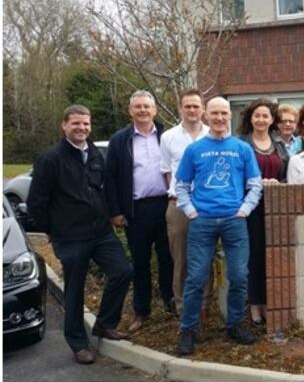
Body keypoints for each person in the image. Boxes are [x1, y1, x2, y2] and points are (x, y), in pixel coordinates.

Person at [28, 105, 133, 365]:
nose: (82, 128)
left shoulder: (94, 154)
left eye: (86, 124)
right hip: (70, 236)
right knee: (74, 291)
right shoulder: (50, 158)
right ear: (64, 125)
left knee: (122, 271)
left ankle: (104, 324)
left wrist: (113, 213)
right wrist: (50, 229)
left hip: (100, 232)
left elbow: (103, 188)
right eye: (76, 124)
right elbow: (36, 202)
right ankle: (78, 343)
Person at [174, 97, 263, 355]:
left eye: (224, 113)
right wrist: (191, 212)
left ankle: (235, 324)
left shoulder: (242, 149)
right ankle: (188, 330)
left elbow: (255, 184)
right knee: (196, 278)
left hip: (234, 221)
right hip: (202, 221)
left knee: (238, 275)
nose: (220, 118)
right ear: (206, 115)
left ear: (230, 116)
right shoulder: (194, 150)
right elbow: (181, 185)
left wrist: (243, 210)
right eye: (214, 113)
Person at [105, 90, 173, 333]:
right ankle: (141, 311)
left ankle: (170, 304)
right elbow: (110, 178)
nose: (143, 111)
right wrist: (115, 211)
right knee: (140, 263)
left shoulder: (167, 136)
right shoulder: (119, 140)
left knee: (169, 259)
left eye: (147, 106)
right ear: (130, 110)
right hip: (136, 210)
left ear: (155, 110)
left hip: (166, 206)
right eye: (138, 107)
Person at [159, 89, 213, 319]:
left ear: (203, 109)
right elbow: (166, 172)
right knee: (180, 259)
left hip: (207, 206)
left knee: (205, 257)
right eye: (187, 106)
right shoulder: (169, 137)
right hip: (179, 206)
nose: (192, 110)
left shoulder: (214, 134)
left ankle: (204, 306)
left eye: (196, 106)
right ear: (181, 108)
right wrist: (180, 196)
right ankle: (183, 306)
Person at [237, 99, 289, 326]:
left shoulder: (279, 143)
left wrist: (278, 184)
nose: (261, 119)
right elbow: (236, 175)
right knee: (253, 256)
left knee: (272, 254)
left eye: (265, 116)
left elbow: (286, 173)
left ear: (271, 119)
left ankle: (269, 302)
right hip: (250, 206)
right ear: (250, 118)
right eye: (257, 115)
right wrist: (258, 183)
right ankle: (254, 304)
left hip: (275, 206)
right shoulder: (241, 144)